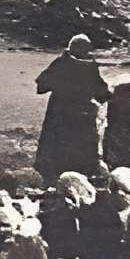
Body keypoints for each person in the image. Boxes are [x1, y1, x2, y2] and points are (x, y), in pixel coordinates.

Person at [33, 36, 107, 180]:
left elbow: (42, 84)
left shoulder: (62, 63)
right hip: (81, 112)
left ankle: (52, 172)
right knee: (80, 144)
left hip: (59, 110)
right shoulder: (89, 67)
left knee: (57, 142)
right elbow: (101, 91)